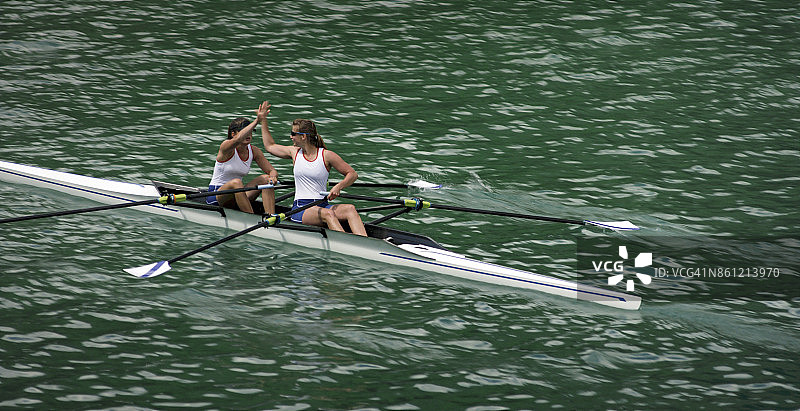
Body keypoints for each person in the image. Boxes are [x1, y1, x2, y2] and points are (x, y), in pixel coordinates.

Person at [257, 101, 367, 236]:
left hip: (323, 204)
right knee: (328, 214)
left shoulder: (327, 155)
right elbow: (270, 146)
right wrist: (263, 121)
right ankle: (348, 244)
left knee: (350, 209)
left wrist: (339, 186)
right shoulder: (294, 152)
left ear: (303, 136)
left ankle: (366, 243)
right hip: (301, 209)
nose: (291, 137)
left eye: (293, 133)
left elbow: (352, 174)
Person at [207, 115, 278, 214]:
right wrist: (257, 120)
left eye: (250, 132)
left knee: (266, 179)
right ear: (233, 134)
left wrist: (273, 177)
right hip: (217, 195)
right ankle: (250, 218)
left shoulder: (254, 151)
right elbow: (237, 140)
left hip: (237, 194)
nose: (248, 134)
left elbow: (272, 170)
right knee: (236, 182)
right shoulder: (226, 147)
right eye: (244, 132)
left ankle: (271, 216)